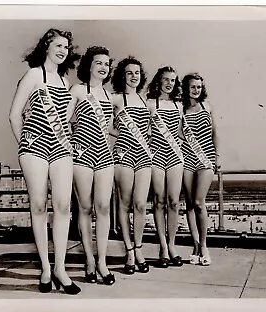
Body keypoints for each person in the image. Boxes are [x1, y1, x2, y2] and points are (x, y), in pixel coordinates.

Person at [9, 28, 81, 294]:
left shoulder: (63, 80)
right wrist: (24, 145)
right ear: (46, 48)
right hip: (34, 148)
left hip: (61, 149)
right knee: (39, 206)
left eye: (66, 47)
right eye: (57, 46)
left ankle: (61, 269)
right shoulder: (33, 75)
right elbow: (14, 115)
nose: (62, 51)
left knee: (63, 206)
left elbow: (66, 122)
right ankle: (45, 269)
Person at [67, 46, 115, 285]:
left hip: (105, 156)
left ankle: (102, 262)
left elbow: (112, 129)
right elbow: (64, 122)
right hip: (82, 156)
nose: (103, 67)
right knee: (85, 208)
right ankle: (88, 259)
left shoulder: (109, 96)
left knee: (104, 208)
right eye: (98, 63)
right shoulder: (76, 90)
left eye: (106, 63)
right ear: (89, 65)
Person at [110, 57, 152, 274]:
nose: (134, 76)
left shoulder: (146, 100)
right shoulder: (116, 99)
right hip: (123, 156)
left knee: (140, 205)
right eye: (129, 72)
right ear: (122, 76)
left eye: (137, 72)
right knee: (124, 205)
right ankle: (129, 252)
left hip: (144, 157)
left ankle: (139, 248)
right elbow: (104, 124)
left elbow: (150, 131)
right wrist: (123, 136)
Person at [180, 73, 220, 266]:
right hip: (187, 159)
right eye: (193, 86)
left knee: (198, 202)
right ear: (186, 88)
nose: (196, 90)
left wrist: (217, 157)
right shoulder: (181, 109)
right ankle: (195, 245)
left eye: (199, 86)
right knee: (188, 204)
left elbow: (214, 133)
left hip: (205, 160)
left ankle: (204, 245)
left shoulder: (207, 106)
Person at [146, 66, 184, 268]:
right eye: (166, 79)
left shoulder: (179, 105)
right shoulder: (150, 103)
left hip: (175, 157)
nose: (170, 83)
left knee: (174, 202)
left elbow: (181, 133)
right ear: (159, 81)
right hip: (156, 156)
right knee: (159, 201)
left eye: (173, 80)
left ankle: (172, 245)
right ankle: (162, 246)